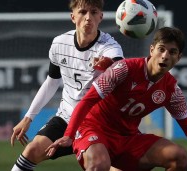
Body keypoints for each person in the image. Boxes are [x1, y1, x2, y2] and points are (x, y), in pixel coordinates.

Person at [46, 27, 187, 171]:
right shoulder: (123, 69)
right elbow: (88, 100)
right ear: (152, 50)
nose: (165, 56)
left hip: (128, 138)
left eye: (172, 52)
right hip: (93, 130)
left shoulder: (172, 90)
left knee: (179, 157)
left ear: (179, 58)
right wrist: (69, 134)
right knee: (99, 165)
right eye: (161, 49)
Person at [10, 0, 124, 170]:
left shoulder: (109, 46)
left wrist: (108, 64)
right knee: (32, 150)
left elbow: (119, 67)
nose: (88, 18)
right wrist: (28, 119)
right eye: (83, 12)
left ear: (101, 17)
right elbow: (52, 81)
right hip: (66, 117)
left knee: (100, 166)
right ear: (73, 17)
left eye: (93, 12)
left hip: (96, 122)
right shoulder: (59, 44)